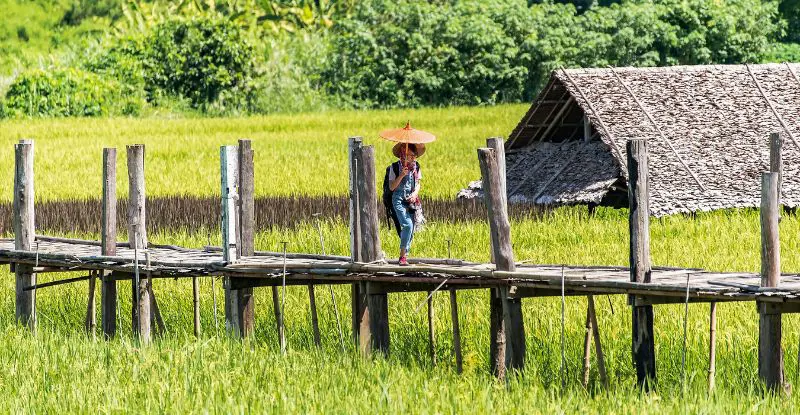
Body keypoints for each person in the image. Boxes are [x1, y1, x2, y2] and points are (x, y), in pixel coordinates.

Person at [387, 142, 425, 266]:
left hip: (411, 200)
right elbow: (392, 187)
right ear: (402, 155)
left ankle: (404, 255)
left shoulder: (416, 167)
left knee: (411, 228)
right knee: (407, 225)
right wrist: (401, 175)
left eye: (413, 155)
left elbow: (418, 183)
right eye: (409, 155)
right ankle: (402, 257)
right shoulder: (394, 167)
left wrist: (414, 194)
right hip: (398, 199)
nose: (412, 158)